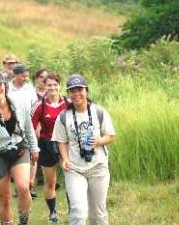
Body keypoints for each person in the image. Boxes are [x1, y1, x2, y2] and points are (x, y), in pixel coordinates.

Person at [52, 74, 116, 225]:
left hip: (98, 167)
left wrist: (99, 141)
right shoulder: (63, 117)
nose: (76, 94)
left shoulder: (99, 112)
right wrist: (65, 158)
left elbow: (111, 136)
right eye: (72, 91)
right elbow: (61, 141)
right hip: (74, 169)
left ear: (86, 91)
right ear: (68, 94)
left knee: (98, 214)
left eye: (79, 89)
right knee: (78, 212)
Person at [0, 71, 39, 225]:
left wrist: (34, 148)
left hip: (19, 150)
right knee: (4, 198)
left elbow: (28, 127)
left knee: (24, 187)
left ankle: (23, 222)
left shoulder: (19, 103)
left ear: (5, 85)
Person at [31, 72, 68, 223]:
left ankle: (74, 210)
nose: (52, 87)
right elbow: (30, 127)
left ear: (60, 85)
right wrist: (34, 147)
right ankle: (53, 212)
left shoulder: (68, 102)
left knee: (71, 179)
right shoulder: (39, 105)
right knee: (50, 182)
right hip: (47, 145)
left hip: (66, 145)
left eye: (55, 84)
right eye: (49, 85)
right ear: (44, 86)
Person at [7, 64, 39, 197]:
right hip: (12, 129)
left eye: (27, 75)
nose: (26, 78)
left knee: (31, 154)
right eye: (23, 75)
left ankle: (29, 184)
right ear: (15, 75)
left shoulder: (30, 88)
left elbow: (35, 105)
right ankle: (18, 184)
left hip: (28, 123)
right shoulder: (7, 88)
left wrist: (35, 123)